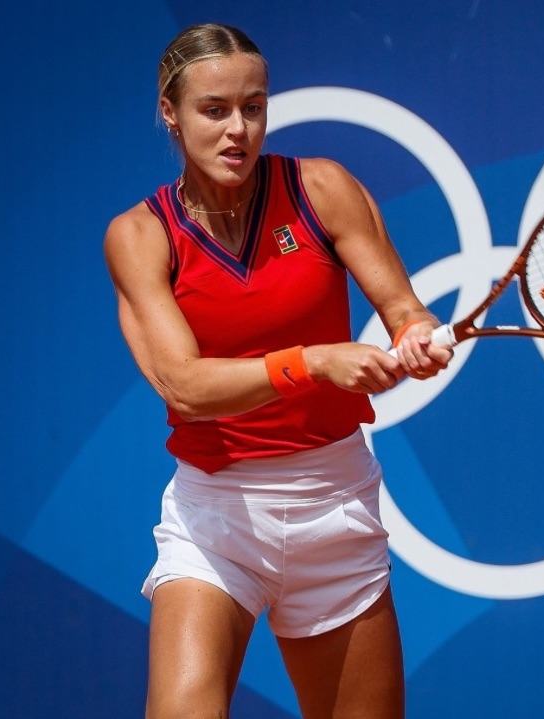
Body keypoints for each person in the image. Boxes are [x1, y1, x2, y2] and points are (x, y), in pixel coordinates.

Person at [104, 23, 449, 719]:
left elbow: (405, 309)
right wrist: (315, 362)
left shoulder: (322, 187)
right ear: (169, 112)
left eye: (253, 106)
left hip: (337, 504)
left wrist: (419, 338)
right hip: (216, 517)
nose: (239, 129)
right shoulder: (140, 236)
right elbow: (184, 385)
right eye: (214, 110)